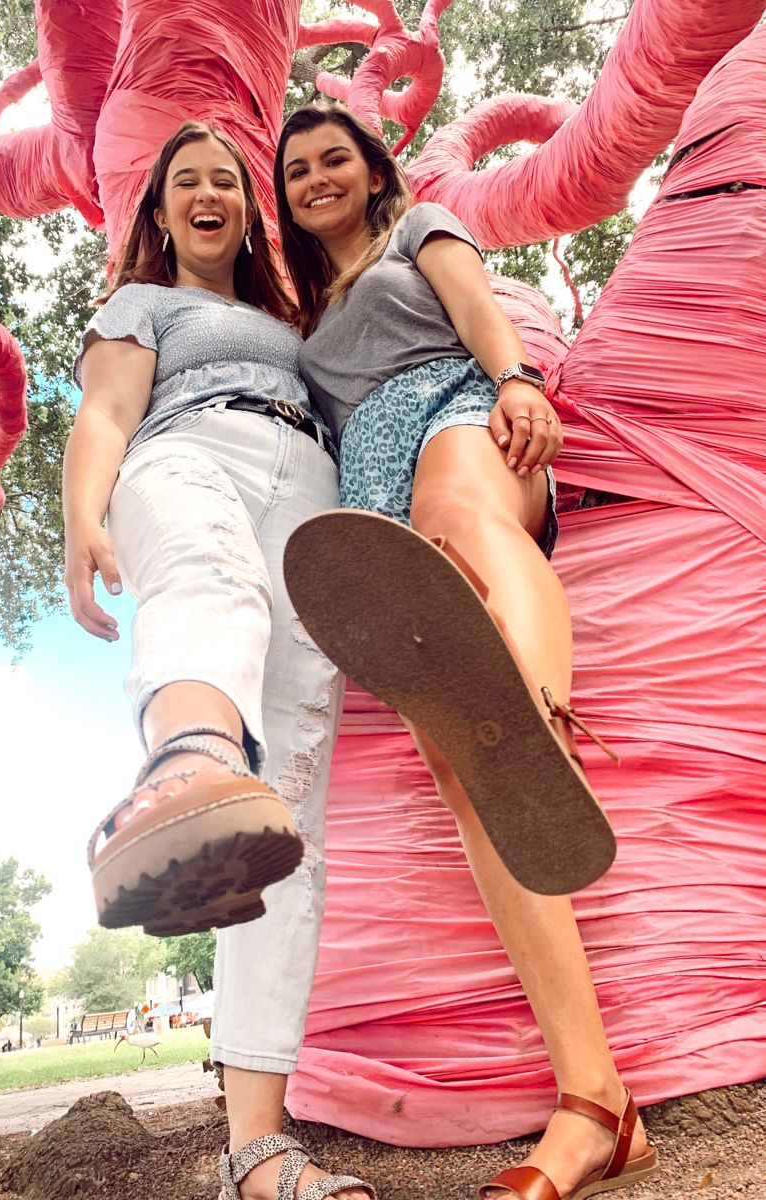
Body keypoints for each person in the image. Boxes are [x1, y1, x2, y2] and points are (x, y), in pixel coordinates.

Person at [273, 101, 659, 1200]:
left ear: (372, 170)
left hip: (459, 413)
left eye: (335, 158)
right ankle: (596, 1106)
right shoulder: (300, 311)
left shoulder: (419, 228)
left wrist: (519, 379)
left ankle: (535, 711)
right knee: (460, 759)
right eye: (296, 170)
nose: (316, 178)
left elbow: (476, 306)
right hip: (373, 494)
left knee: (463, 516)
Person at [63, 122, 373, 1200]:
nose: (208, 193)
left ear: (249, 210)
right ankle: (184, 766)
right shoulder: (145, 305)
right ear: (161, 211)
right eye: (186, 181)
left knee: (289, 810)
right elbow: (106, 411)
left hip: (311, 492)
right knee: (210, 582)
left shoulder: (295, 319)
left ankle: (258, 1149)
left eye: (227, 181)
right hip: (189, 451)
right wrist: (82, 518)